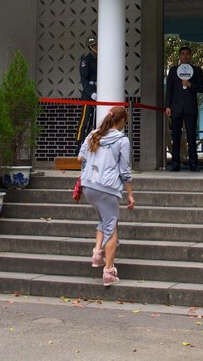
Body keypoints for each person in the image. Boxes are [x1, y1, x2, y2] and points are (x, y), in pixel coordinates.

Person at [78, 106, 134, 287]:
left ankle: (97, 252)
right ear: (123, 121)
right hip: (107, 187)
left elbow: (81, 158)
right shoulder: (122, 140)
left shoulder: (93, 134)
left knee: (104, 219)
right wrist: (130, 193)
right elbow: (124, 170)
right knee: (112, 227)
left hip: (88, 185)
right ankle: (108, 271)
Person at [164, 46, 203, 172]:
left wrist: (190, 84)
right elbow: (169, 89)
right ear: (179, 56)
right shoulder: (173, 70)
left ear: (191, 56)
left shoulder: (197, 71)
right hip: (176, 108)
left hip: (190, 107)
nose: (185, 56)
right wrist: (168, 106)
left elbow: (202, 88)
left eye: (187, 54)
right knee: (176, 136)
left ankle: (193, 163)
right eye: (182, 54)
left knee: (191, 136)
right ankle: (176, 163)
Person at [76, 38, 98, 145]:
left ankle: (90, 144)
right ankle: (79, 145)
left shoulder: (99, 59)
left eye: (96, 45)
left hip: (99, 92)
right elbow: (84, 80)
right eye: (94, 45)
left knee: (94, 122)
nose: (96, 47)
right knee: (84, 122)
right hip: (88, 95)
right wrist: (91, 93)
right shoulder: (86, 60)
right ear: (90, 47)